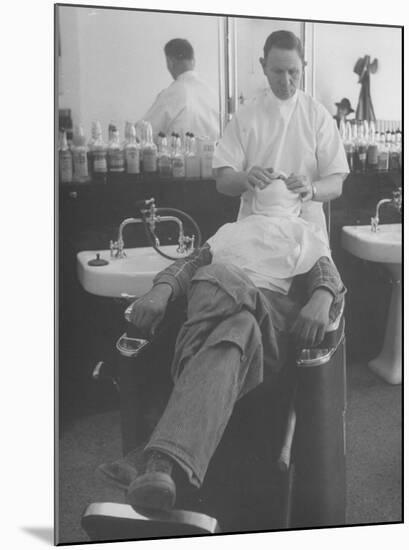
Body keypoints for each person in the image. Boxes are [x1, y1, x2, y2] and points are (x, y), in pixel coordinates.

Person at [97, 30, 348, 514]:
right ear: (262, 66)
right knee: (232, 330)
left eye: (294, 71)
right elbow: (210, 217)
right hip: (244, 323)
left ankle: (152, 455)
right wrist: (161, 288)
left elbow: (325, 268)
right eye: (277, 71)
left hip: (265, 303)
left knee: (222, 287)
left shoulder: (303, 229)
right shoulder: (237, 226)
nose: (286, 80)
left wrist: (321, 294)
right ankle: (161, 468)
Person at [140, 38, 220, 140]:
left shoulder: (171, 94)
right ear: (193, 61)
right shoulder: (213, 94)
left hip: (180, 154)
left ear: (170, 62)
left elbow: (143, 132)